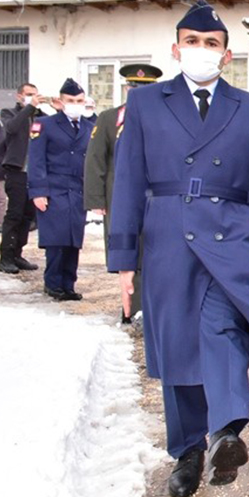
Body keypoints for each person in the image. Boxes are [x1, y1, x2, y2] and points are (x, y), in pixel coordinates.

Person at [109, 0, 249, 497]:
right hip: (168, 236)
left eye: (211, 44)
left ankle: (225, 431)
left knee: (223, 331)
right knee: (179, 342)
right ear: (175, 48)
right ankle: (187, 449)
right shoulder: (145, 103)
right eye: (192, 41)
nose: (201, 50)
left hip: (231, 235)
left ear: (226, 55)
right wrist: (124, 261)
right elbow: (127, 182)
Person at [85, 63, 163, 323]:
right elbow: (96, 159)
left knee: (155, 251)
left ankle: (150, 307)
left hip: (157, 196)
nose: (138, 92)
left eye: (145, 88)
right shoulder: (110, 118)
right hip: (119, 196)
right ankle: (133, 308)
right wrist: (96, 199)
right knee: (129, 251)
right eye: (134, 87)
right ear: (127, 89)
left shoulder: (163, 116)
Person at [28, 78, 94, 301]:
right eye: (71, 100)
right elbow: (36, 160)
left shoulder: (89, 127)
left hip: (77, 190)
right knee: (56, 240)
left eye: (80, 101)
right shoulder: (45, 124)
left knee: (73, 240)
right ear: (61, 101)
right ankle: (53, 283)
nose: (75, 104)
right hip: (54, 189)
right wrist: (38, 192)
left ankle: (68, 284)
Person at [0, 83, 52, 273]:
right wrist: (29, 107)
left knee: (28, 216)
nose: (32, 97)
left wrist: (57, 109)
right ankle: (6, 256)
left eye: (35, 94)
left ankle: (17, 254)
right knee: (15, 214)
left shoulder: (41, 117)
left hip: (35, 173)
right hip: (17, 171)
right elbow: (11, 128)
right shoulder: (9, 113)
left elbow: (55, 128)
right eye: (28, 94)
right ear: (19, 96)